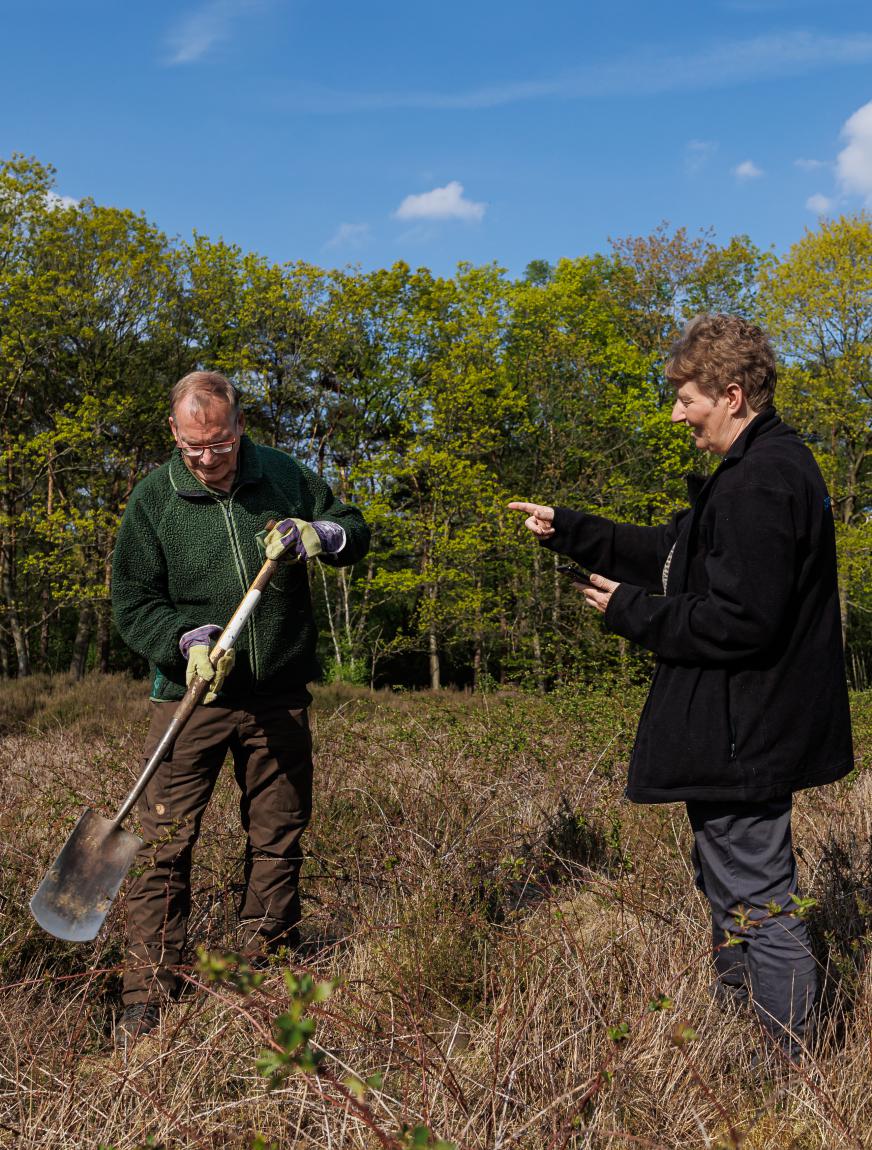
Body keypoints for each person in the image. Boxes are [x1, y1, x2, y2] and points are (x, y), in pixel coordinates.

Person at [509, 314, 853, 1060]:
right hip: (739, 730)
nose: (676, 414)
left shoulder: (763, 481)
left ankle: (794, 1072)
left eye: (686, 398)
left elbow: (741, 620)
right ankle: (744, 1045)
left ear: (731, 394)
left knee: (759, 903)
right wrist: (570, 527)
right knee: (731, 888)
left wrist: (631, 611)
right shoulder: (758, 471)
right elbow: (676, 552)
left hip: (746, 733)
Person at [111, 370, 370, 1042]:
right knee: (164, 846)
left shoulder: (282, 475)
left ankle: (267, 968)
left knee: (277, 838)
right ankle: (147, 994)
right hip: (189, 699)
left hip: (278, 694)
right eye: (194, 447)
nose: (207, 459)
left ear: (239, 426)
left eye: (219, 444)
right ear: (174, 433)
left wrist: (322, 534)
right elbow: (133, 603)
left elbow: (352, 525)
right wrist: (182, 640)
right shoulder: (153, 501)